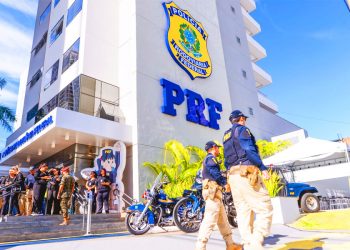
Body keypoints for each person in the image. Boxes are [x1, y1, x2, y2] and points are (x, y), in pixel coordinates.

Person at [223, 110, 273, 250]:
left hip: (233, 177)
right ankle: (255, 243)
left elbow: (226, 160)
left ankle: (247, 243)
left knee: (244, 213)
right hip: (246, 174)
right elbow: (249, 150)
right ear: (240, 119)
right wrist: (262, 167)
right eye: (244, 118)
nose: (245, 121)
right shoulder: (243, 130)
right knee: (265, 208)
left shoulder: (226, 136)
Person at [195, 141, 242, 250]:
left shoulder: (208, 159)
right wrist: (225, 183)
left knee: (223, 222)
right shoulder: (210, 158)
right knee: (209, 221)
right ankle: (200, 247)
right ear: (213, 148)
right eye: (218, 148)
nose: (219, 150)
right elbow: (215, 173)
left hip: (216, 195)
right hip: (213, 194)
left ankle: (230, 245)